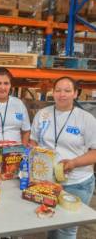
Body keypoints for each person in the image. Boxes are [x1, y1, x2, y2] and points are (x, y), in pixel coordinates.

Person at [30, 76, 96, 239]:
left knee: (67, 229)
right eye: (58, 90)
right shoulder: (43, 114)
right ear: (53, 92)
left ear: (75, 94)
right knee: (51, 223)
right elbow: (33, 141)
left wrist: (74, 162)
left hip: (76, 182)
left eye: (67, 91)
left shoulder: (86, 119)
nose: (62, 94)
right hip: (49, 181)